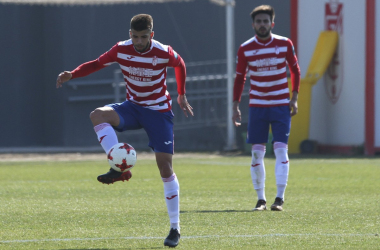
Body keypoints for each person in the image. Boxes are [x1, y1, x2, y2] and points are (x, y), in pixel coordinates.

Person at [56, 14, 193, 248]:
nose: (139, 41)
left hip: (159, 112)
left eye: (144, 37)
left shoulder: (163, 52)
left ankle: (174, 228)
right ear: (130, 34)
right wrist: (73, 73)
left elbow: (180, 64)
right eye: (135, 37)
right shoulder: (121, 49)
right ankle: (118, 166)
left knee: (165, 168)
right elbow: (97, 63)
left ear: (152, 34)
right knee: (97, 115)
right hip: (132, 107)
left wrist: (180, 94)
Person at [232, 5, 300, 212]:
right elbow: (240, 78)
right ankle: (261, 199)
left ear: (272, 23)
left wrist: (294, 98)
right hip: (258, 106)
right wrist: (235, 105)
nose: (262, 25)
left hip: (280, 105)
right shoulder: (245, 48)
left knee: (280, 149)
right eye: (258, 22)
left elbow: (295, 71)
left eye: (265, 21)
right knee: (256, 153)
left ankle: (279, 198)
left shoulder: (284, 43)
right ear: (253, 24)